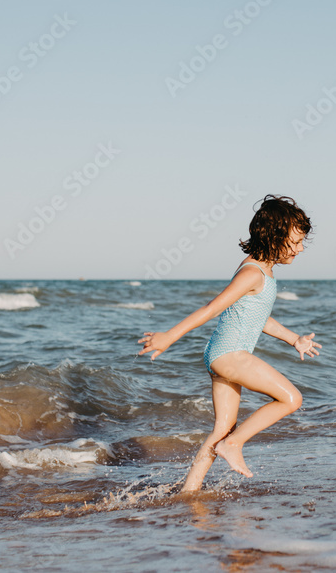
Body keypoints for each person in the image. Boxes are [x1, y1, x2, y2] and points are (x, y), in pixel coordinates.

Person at [138, 194, 321, 493]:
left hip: (220, 357)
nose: (301, 249)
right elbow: (212, 307)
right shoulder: (252, 272)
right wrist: (169, 336)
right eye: (296, 241)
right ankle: (234, 445)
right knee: (292, 399)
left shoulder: (260, 270)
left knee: (221, 429)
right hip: (231, 355)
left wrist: (293, 339)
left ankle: (189, 493)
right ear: (274, 237)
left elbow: (258, 317)